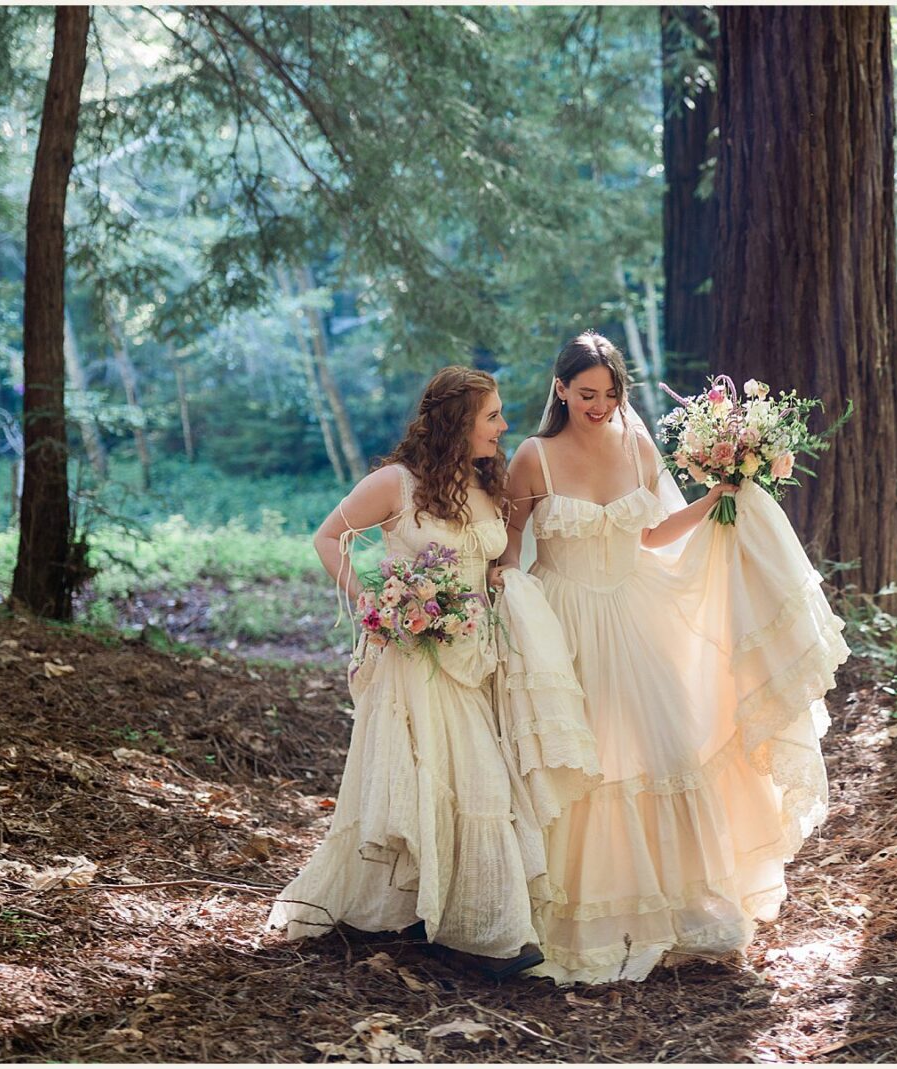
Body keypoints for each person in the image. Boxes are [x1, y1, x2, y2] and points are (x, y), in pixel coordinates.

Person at [495, 332, 847, 984]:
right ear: (561, 389)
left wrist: (718, 498)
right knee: (584, 763)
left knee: (663, 751)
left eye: (610, 394)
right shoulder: (532, 457)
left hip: (633, 610)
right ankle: (572, 917)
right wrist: (509, 616)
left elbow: (654, 531)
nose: (598, 406)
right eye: (585, 394)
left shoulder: (636, 444)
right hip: (563, 618)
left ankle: (676, 906)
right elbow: (511, 546)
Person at [268, 365, 594, 981]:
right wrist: (373, 604)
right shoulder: (396, 483)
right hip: (414, 658)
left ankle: (434, 908)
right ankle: (483, 933)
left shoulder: (483, 483)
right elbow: (329, 537)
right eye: (492, 415)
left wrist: (498, 576)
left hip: (477, 655)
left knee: (469, 778)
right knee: (461, 778)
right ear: (457, 421)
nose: (503, 425)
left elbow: (495, 552)